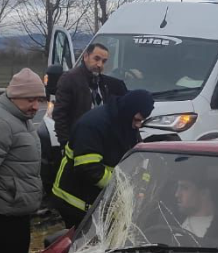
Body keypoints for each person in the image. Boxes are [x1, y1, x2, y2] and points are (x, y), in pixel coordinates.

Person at [51, 89, 154, 228]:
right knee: (83, 244)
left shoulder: (125, 122)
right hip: (75, 201)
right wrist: (123, 188)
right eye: (137, 120)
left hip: (99, 199)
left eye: (142, 121)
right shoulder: (93, 125)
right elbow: (88, 168)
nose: (138, 125)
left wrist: (142, 185)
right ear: (128, 110)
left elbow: (138, 158)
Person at [0, 69, 46, 253]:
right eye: (30, 99)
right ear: (14, 95)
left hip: (16, 211)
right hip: (1, 218)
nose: (36, 106)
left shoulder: (20, 117)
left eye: (39, 99)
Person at [52, 42, 110, 149]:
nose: (100, 65)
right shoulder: (70, 78)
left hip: (100, 141)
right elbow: (60, 115)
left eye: (104, 61)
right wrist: (66, 144)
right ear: (86, 56)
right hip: (78, 142)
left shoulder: (102, 81)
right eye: (96, 59)